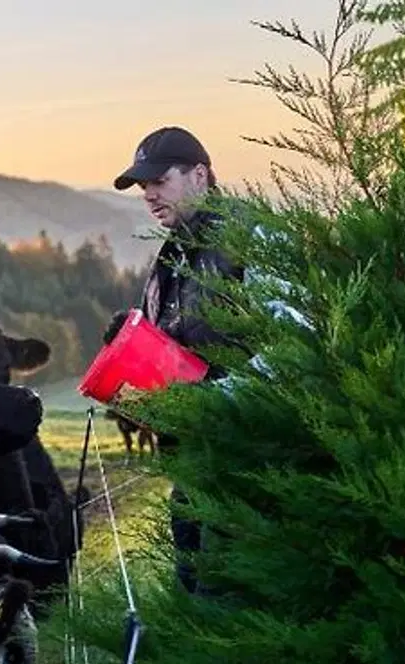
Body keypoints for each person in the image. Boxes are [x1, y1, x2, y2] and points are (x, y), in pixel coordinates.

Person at [104, 125, 245, 595]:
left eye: (159, 181)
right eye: (143, 186)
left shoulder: (249, 241)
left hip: (245, 464)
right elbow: (174, 357)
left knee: (221, 602)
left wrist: (213, 399)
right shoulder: (172, 258)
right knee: (191, 593)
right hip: (190, 465)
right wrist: (130, 343)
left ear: (200, 176)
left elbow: (294, 348)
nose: (148, 195)